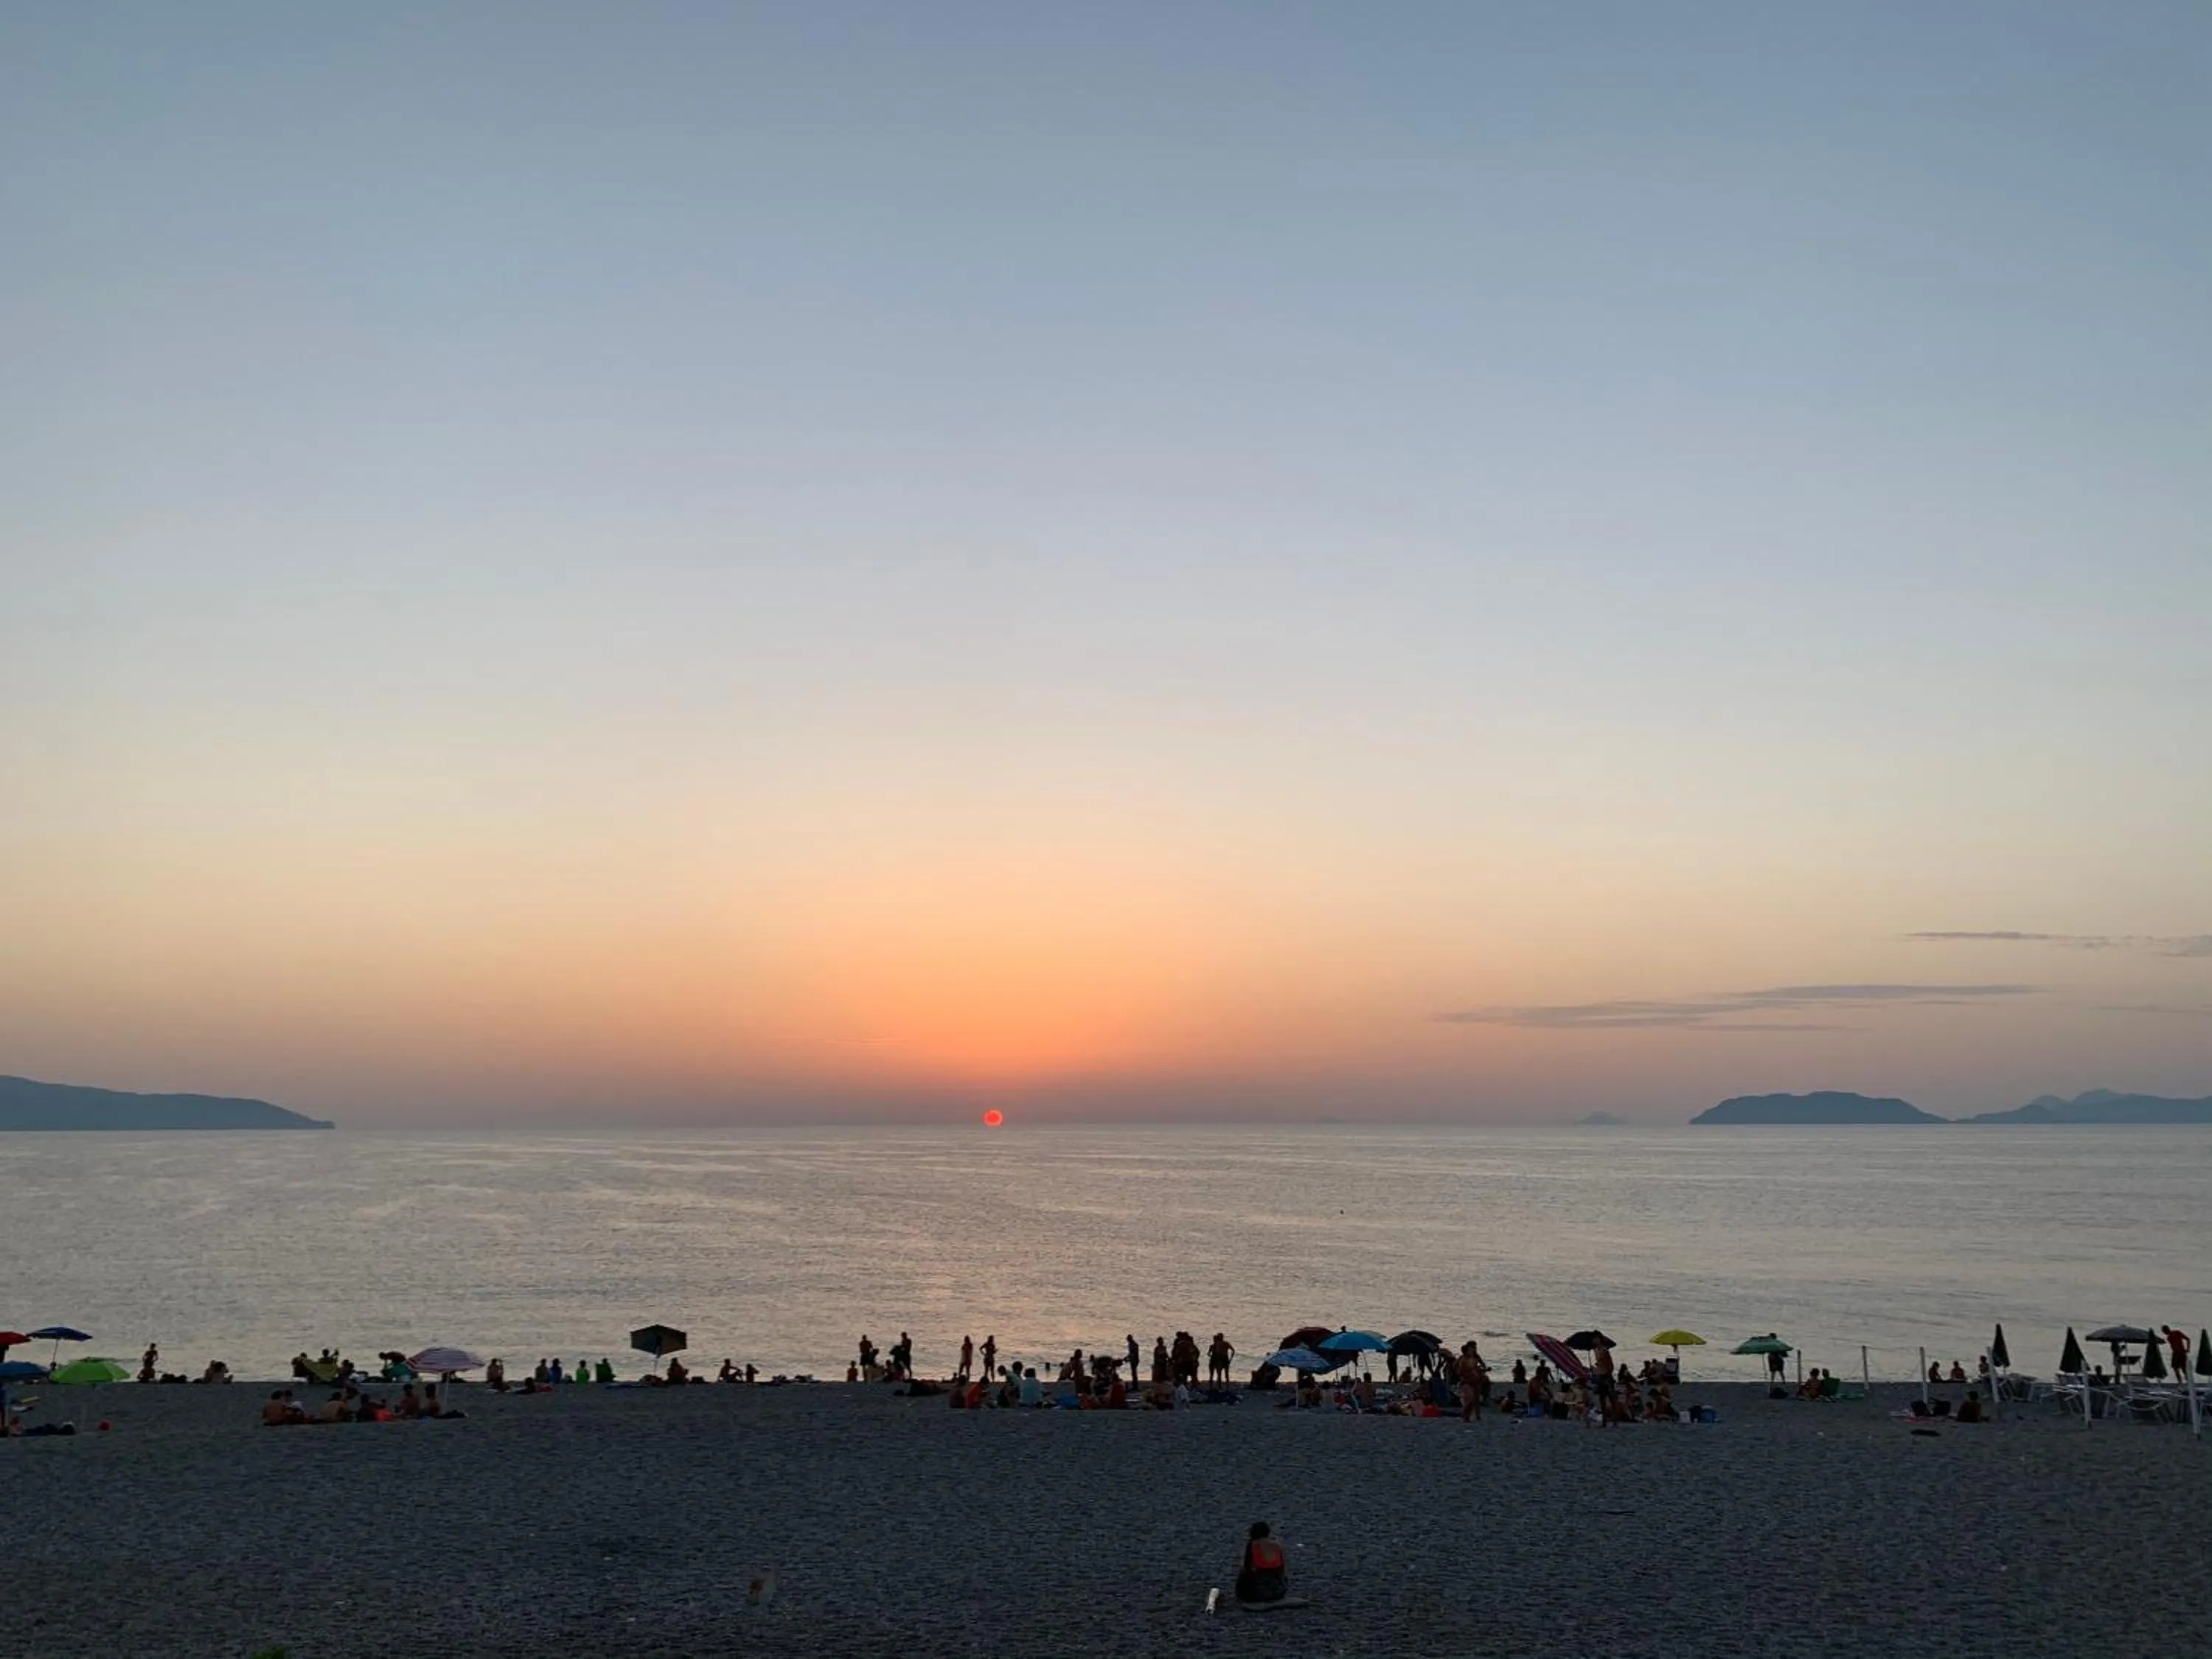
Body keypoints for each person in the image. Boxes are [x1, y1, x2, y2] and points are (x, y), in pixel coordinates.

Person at [1235, 1521, 1288, 1606]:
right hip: (1278, 1590)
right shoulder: (1276, 1545)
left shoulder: (1252, 1545)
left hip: (1257, 1593)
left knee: (1244, 1573)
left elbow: (1247, 1567)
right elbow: (1281, 1568)